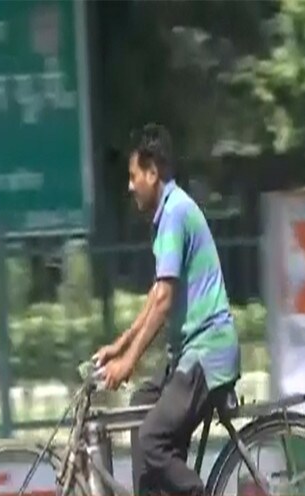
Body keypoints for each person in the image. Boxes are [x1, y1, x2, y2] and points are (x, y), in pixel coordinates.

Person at [93, 123, 241, 496]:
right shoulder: (167, 217)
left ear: (152, 173)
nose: (130, 186)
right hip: (187, 356)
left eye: (133, 176)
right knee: (141, 406)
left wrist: (128, 363)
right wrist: (120, 346)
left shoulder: (175, 214)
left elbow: (164, 301)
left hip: (207, 353)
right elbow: (158, 292)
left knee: (152, 439)